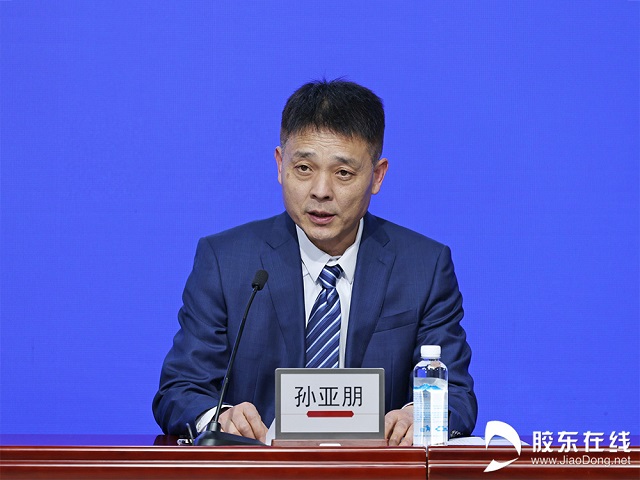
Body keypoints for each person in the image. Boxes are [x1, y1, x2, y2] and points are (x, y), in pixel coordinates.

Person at [152, 79, 477, 446]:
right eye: (304, 168)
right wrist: (219, 418)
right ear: (280, 165)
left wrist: (420, 416)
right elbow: (180, 389)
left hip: (375, 471)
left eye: (343, 173)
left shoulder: (424, 267)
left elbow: (457, 395)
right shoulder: (226, 261)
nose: (321, 191)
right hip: (260, 470)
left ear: (377, 176)